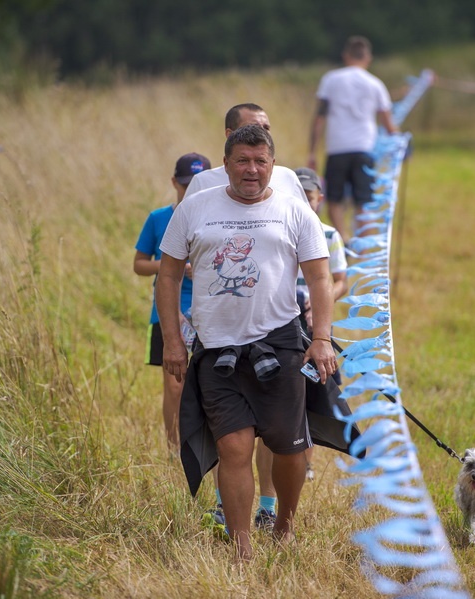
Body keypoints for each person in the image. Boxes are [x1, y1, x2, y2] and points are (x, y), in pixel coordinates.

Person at [156, 124, 337, 560]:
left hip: (280, 346)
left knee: (289, 447)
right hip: (217, 350)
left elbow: (318, 277)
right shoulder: (195, 208)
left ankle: (284, 527)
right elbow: (167, 275)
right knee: (233, 445)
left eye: (260, 161)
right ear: (227, 164)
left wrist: (322, 338)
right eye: (242, 160)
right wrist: (172, 342)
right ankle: (241, 548)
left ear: (273, 165)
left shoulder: (295, 211)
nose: (251, 170)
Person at [186, 102, 306, 535]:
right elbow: (186, 244)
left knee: (281, 436)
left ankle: (273, 510)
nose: (257, 147)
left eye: (266, 134)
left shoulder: (288, 180)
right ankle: (229, 514)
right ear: (227, 142)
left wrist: (317, 322)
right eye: (249, 135)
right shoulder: (202, 186)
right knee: (233, 440)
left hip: (278, 329)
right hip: (219, 333)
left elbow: (304, 243)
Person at [133, 152, 211, 451]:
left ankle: (204, 447)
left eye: (197, 185)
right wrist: (172, 266)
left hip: (208, 309)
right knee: (174, 385)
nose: (190, 192)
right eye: (184, 185)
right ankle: (175, 449)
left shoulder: (219, 216)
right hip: (166, 310)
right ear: (174, 183)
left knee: (208, 385)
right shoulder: (158, 218)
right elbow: (139, 264)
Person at [307, 35, 399, 242]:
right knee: (364, 202)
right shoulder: (376, 84)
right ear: (368, 58)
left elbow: (319, 118)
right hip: (365, 149)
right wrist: (401, 142)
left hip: (337, 148)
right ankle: (362, 248)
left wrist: (312, 151)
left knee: (334, 201)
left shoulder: (330, 80)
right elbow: (388, 124)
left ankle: (344, 240)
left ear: (345, 56)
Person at [293, 167, 349, 482]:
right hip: (285, 320)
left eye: (309, 197)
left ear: (320, 199)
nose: (304, 202)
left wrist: (321, 299)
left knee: (315, 387)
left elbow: (340, 280)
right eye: (298, 195)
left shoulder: (329, 234)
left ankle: (308, 461)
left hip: (316, 325)